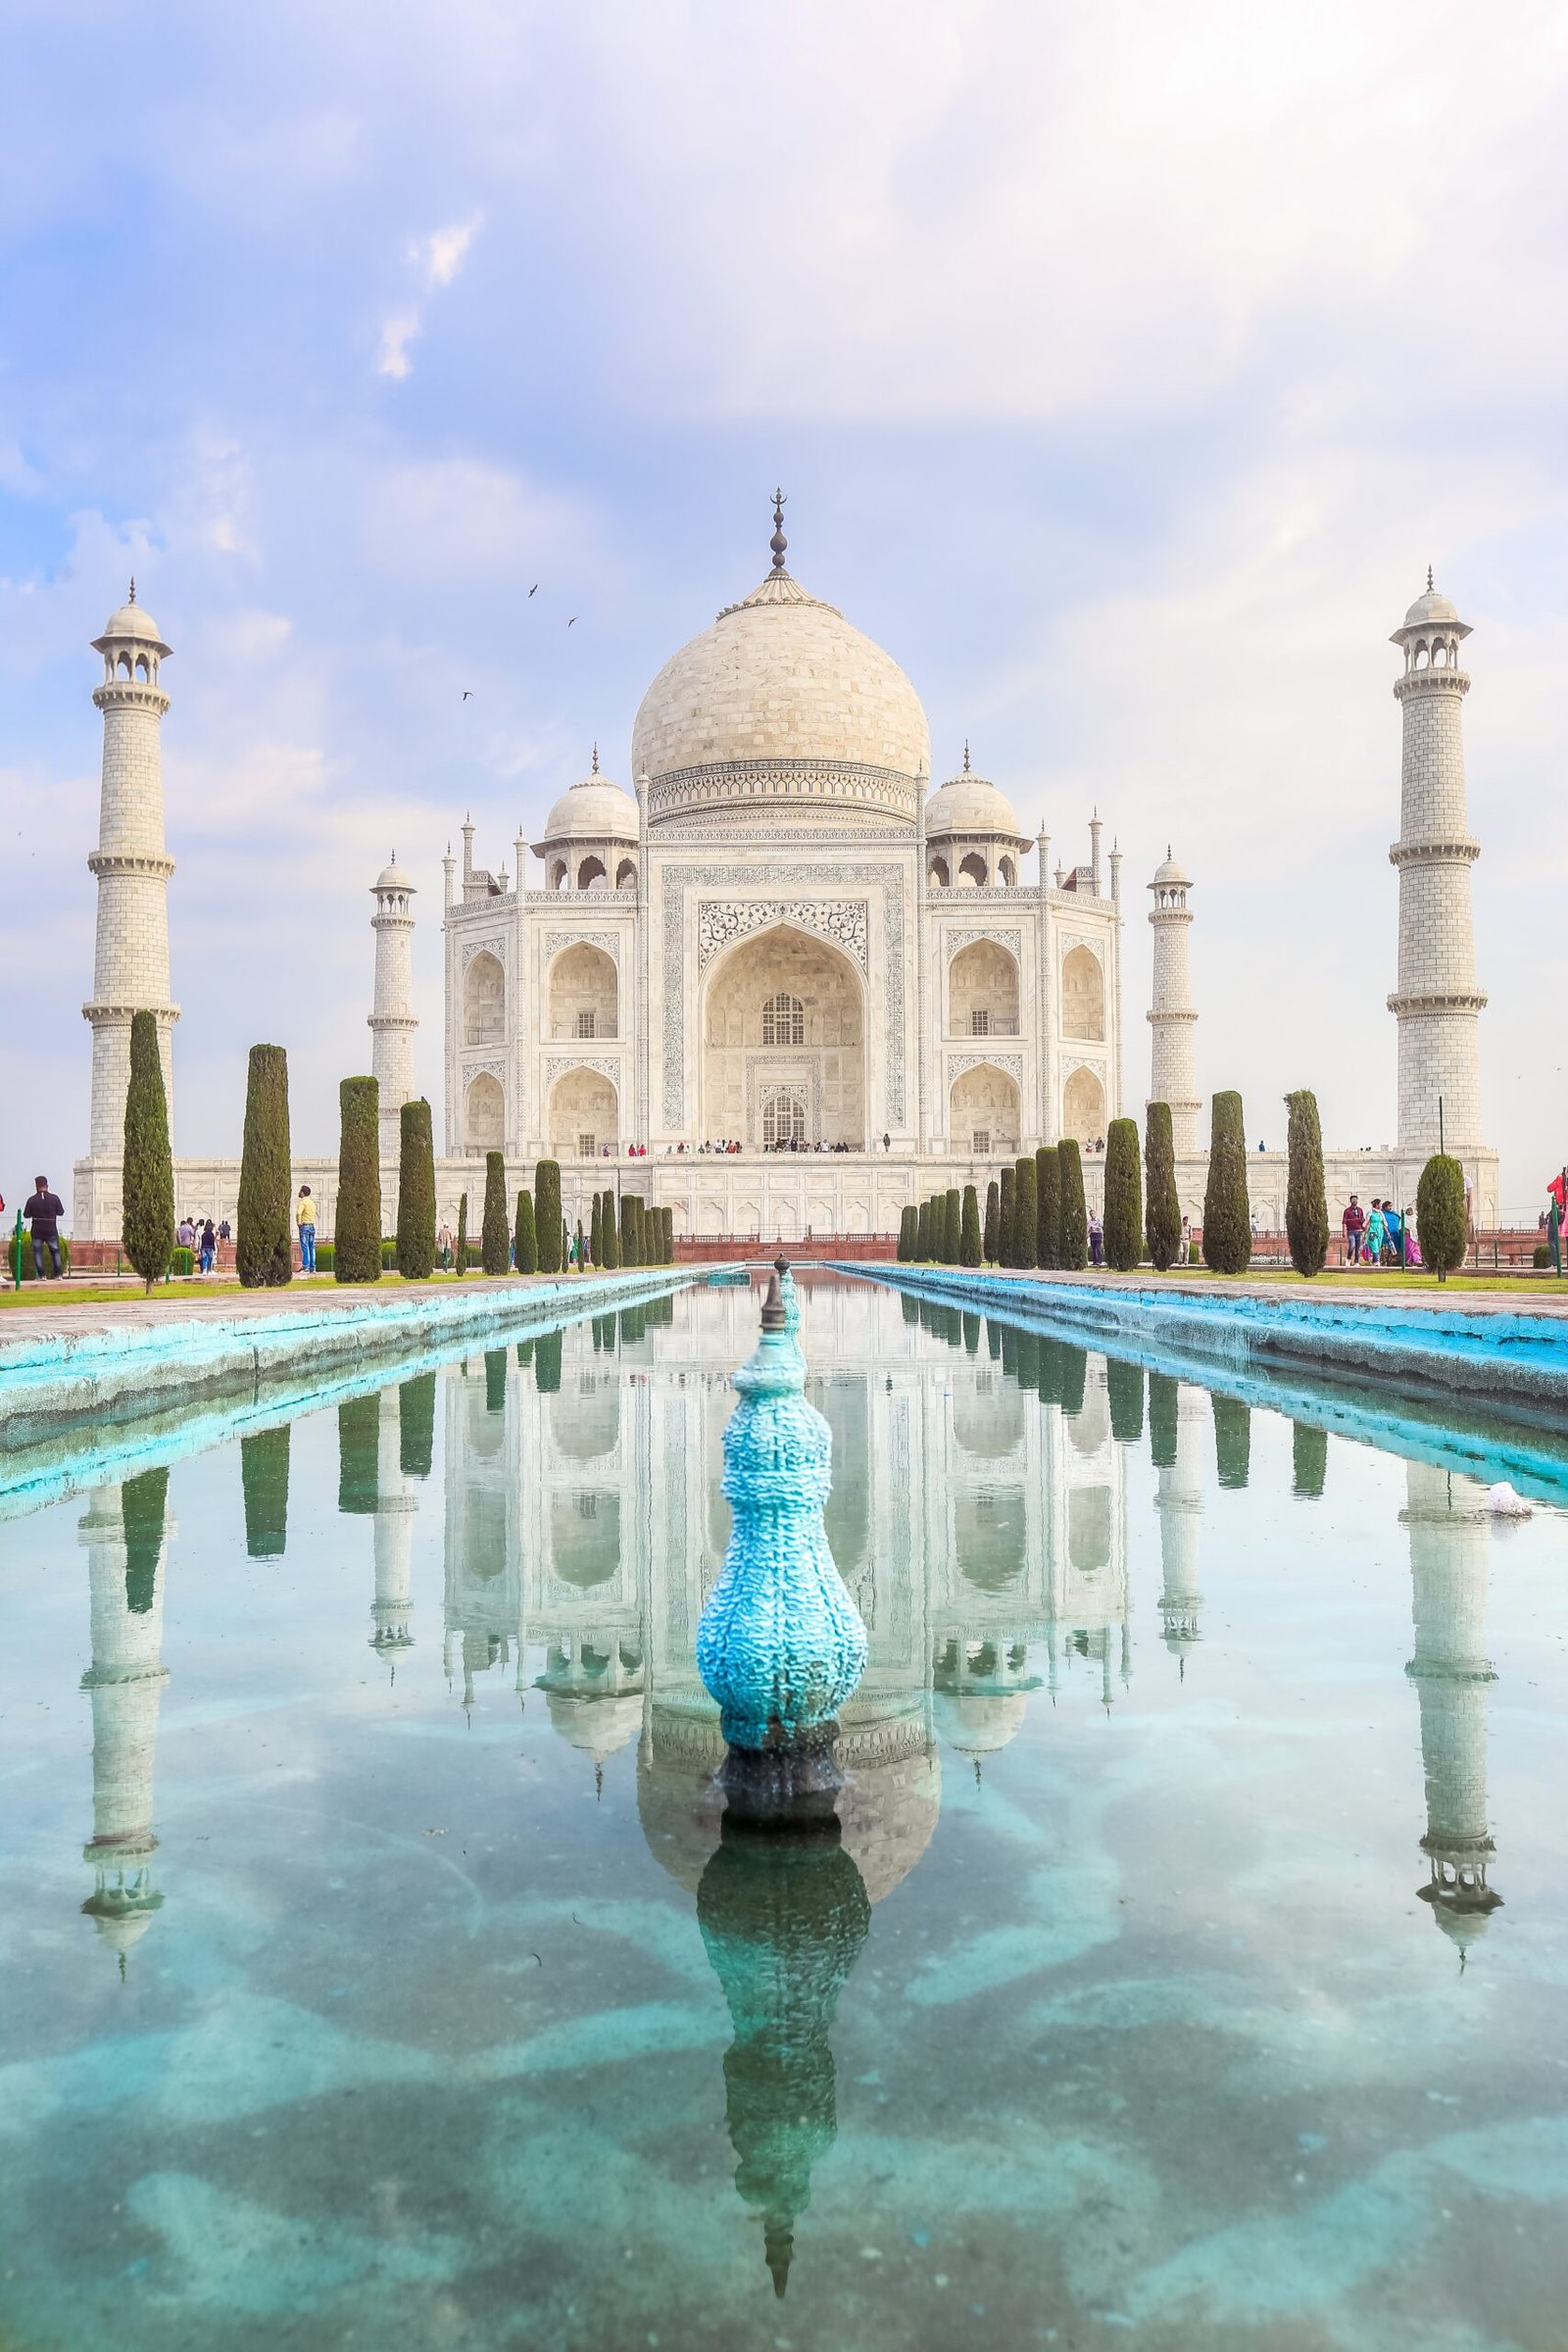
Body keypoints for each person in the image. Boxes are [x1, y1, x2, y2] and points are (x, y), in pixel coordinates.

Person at [24, 1176, 65, 1279]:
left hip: (37, 1229)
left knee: (38, 1252)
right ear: (47, 1185)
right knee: (55, 1251)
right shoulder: (54, 1198)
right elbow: (61, 1212)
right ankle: (58, 1274)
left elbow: (26, 1215)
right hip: (51, 1229)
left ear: (36, 1186)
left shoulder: (32, 1200)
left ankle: (42, 1275)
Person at [296, 1184, 318, 1273]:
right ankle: (312, 1267)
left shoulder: (303, 1202)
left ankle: (306, 1267)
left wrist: (299, 1222)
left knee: (305, 1247)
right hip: (312, 1225)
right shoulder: (312, 1203)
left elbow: (298, 1213)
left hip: (305, 1226)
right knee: (311, 1247)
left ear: (303, 1193)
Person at [1342, 1195, 1366, 1265]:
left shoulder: (1360, 1210)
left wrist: (1363, 1224)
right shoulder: (1347, 1211)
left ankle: (1356, 1262)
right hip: (1351, 1231)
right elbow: (1344, 1222)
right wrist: (1344, 1231)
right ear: (1350, 1201)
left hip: (1359, 1231)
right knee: (1352, 1246)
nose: (1355, 1201)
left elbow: (1363, 1220)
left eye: (1356, 1199)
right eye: (1353, 1199)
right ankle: (1348, 1259)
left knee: (1358, 1248)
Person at [1366, 1200, 1387, 1264]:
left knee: (1378, 1246)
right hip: (1372, 1232)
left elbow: (1384, 1223)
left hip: (1380, 1231)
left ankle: (1374, 1261)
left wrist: (1388, 1232)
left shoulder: (1381, 1213)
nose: (1381, 1205)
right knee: (1374, 1246)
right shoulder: (1370, 1213)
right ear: (1377, 1205)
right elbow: (1367, 1223)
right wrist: (1365, 1234)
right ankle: (1376, 1261)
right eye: (1380, 1204)